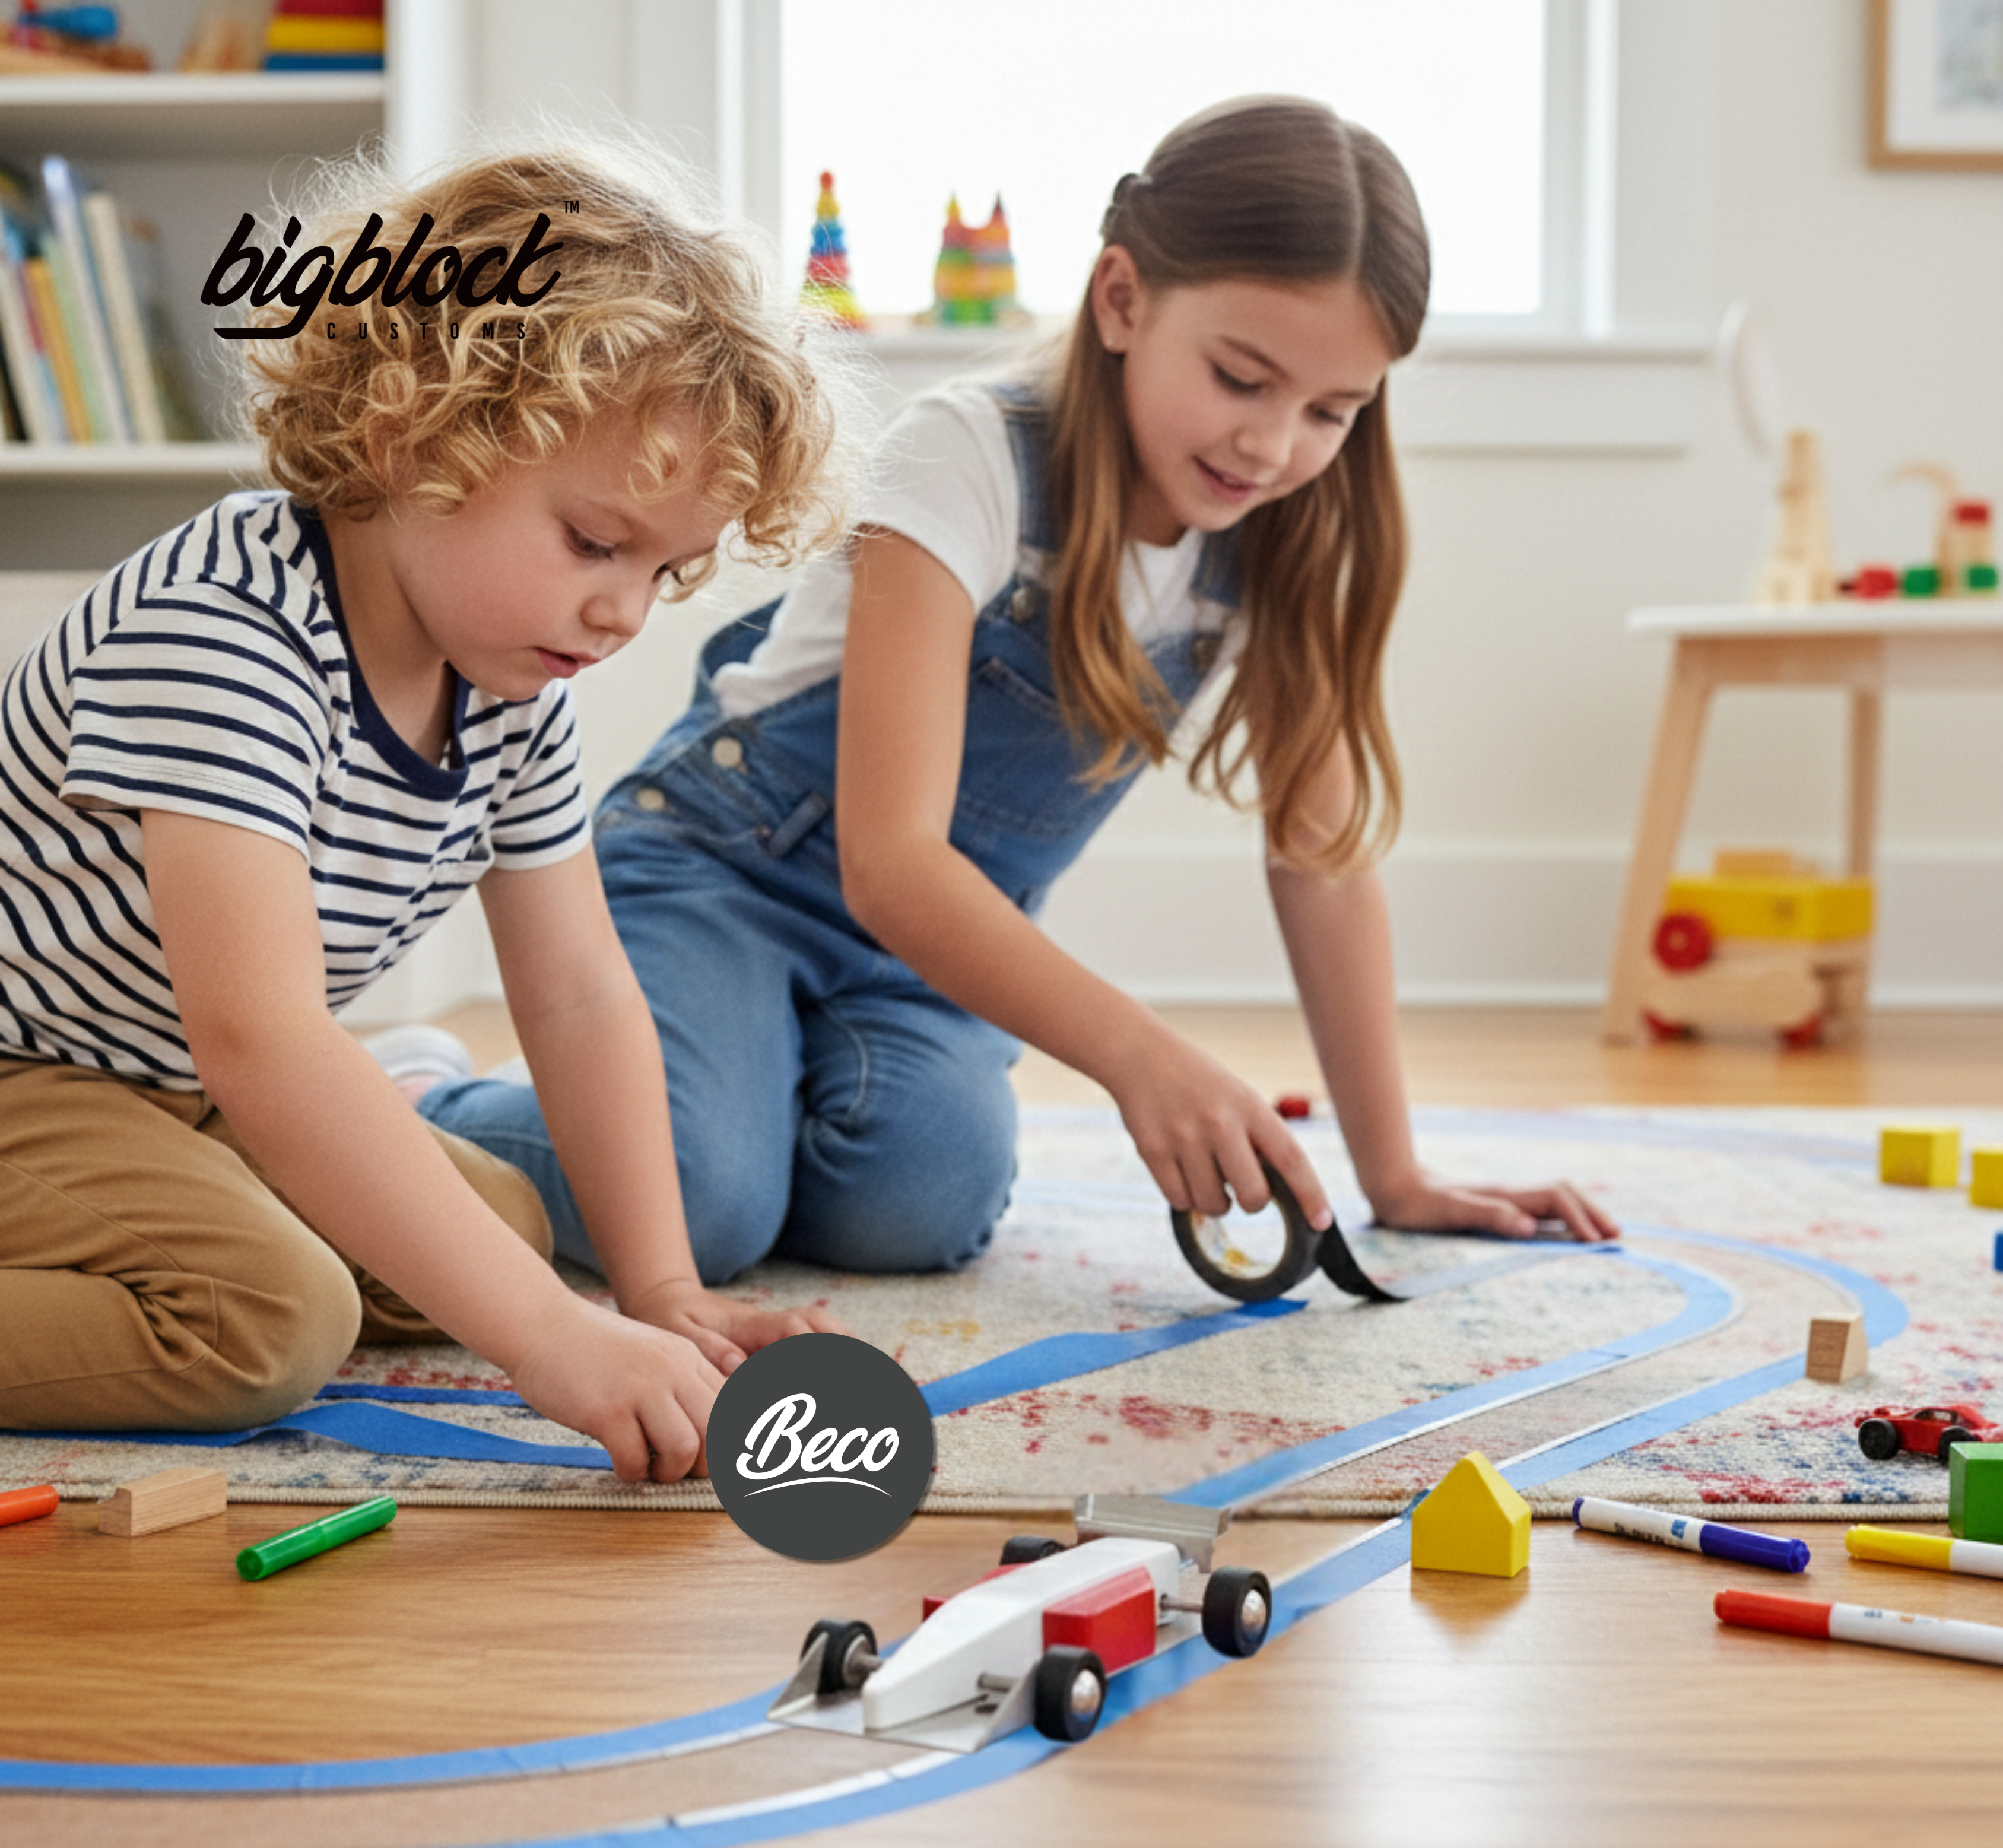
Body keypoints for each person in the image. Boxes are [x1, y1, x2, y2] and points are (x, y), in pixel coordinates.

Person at [421, 96, 1617, 1288]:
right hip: (721, 875)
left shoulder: (1279, 534)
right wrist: (1139, 1054)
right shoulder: (965, 457)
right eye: (1241, 378)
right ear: (1121, 300)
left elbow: (1322, 860)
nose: (1271, 447)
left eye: (1329, 413)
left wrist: (1393, 1173)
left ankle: (725, 1101)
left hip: (924, 955)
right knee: (705, 1209)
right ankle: (419, 1100)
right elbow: (890, 863)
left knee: (916, 1207)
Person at [0, 138, 851, 1481]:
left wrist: (657, 1293)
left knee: (502, 1231)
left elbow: (575, 988)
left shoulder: (508, 682)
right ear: (413, 437)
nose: (625, 611)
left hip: (167, 1080)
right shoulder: (220, 635)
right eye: (593, 542)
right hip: (29, 1070)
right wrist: (548, 1347)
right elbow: (264, 1042)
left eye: (665, 570)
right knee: (268, 1316)